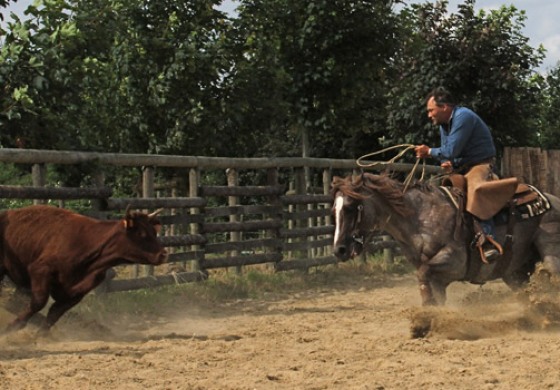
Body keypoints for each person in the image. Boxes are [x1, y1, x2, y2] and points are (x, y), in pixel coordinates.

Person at [414, 87, 518, 262]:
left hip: (481, 165)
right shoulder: (444, 124)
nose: (429, 115)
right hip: (462, 167)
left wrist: (429, 151)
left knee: (476, 191)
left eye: (431, 110)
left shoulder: (464, 117)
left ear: (445, 107)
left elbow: (450, 150)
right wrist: (448, 163)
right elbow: (449, 154)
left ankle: (488, 239)